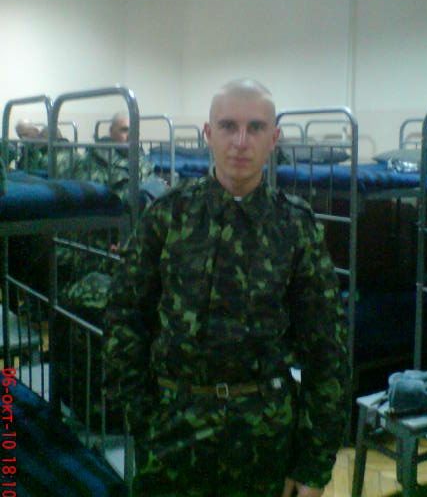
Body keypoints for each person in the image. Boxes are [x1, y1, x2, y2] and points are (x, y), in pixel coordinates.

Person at [103, 79, 348, 497]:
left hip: (264, 441)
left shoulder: (296, 227)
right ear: (208, 133)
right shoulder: (168, 216)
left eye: (255, 128)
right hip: (172, 434)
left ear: (274, 139)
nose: (240, 141)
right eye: (228, 126)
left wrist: (314, 461)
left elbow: (327, 348)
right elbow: (124, 316)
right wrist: (141, 416)